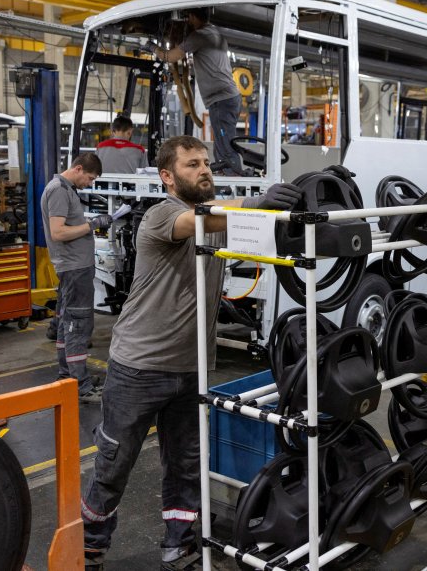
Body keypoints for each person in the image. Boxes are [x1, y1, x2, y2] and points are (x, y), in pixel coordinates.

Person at [81, 136, 301, 570]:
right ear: (168, 176)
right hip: (138, 368)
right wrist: (259, 200)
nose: (203, 170)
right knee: (114, 464)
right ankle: (89, 547)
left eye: (205, 163)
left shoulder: (216, 216)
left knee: (185, 466)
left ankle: (178, 544)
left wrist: (313, 197)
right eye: (191, 165)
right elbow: (200, 221)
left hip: (190, 368)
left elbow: (244, 229)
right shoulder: (163, 215)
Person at [42, 153, 110, 404]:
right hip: (74, 268)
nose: (90, 183)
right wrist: (92, 225)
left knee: (66, 323)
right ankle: (80, 385)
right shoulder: (59, 190)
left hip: (75, 266)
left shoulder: (65, 189)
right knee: (78, 325)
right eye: (90, 178)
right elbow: (58, 232)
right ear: (78, 168)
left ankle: (68, 376)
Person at [155, 8, 243, 175]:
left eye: (189, 17)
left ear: (194, 17)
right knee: (222, 145)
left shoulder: (199, 36)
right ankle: (229, 179)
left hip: (221, 99)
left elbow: (171, 57)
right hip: (230, 97)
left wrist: (153, 48)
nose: (188, 21)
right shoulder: (216, 33)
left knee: (224, 148)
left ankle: (234, 186)